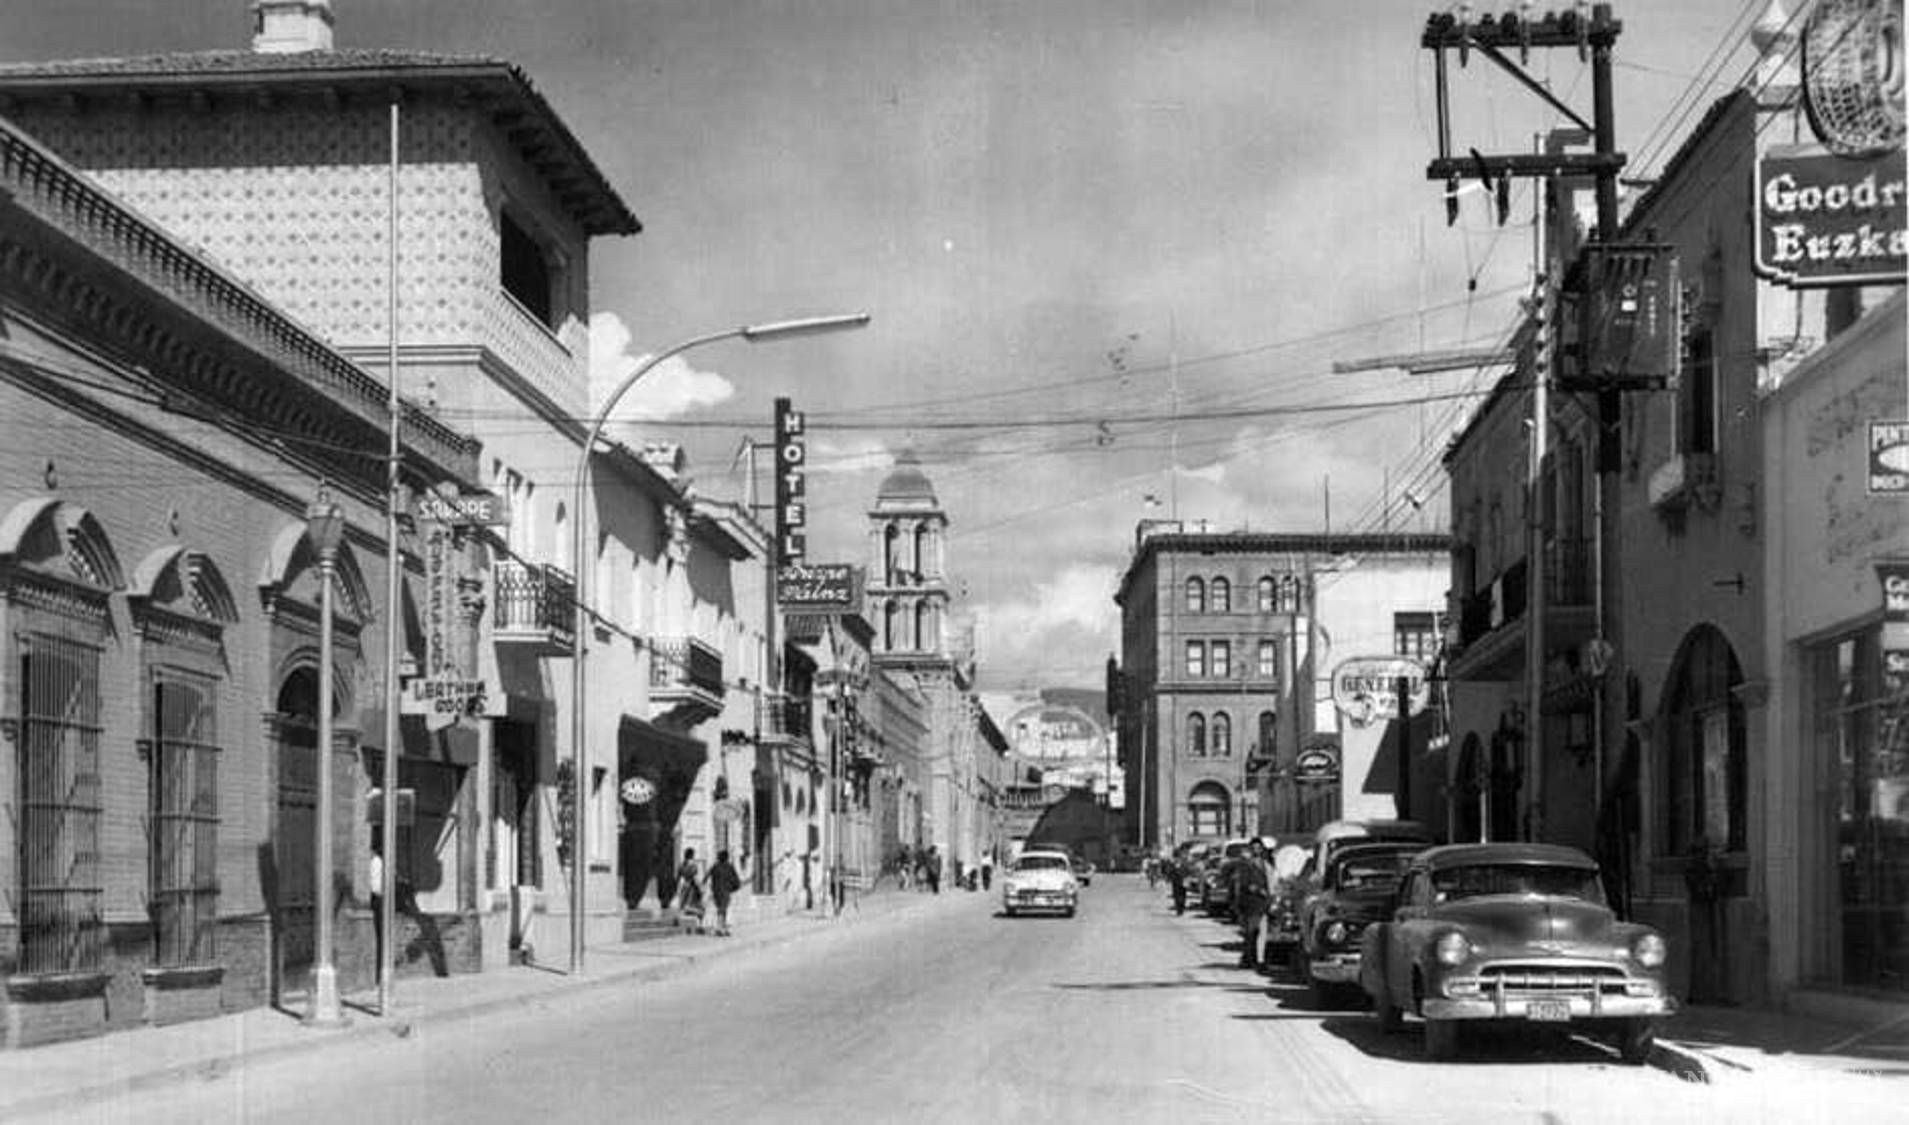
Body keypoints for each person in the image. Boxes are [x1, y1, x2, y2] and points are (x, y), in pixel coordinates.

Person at [1235, 839, 1275, 970]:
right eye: (1254, 848)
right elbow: (1245, 884)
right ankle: (1249, 959)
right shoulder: (1246, 865)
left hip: (1264, 903)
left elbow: (1271, 882)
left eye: (1259, 848)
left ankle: (1259, 959)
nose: (1256, 850)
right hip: (1251, 903)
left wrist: (1270, 897)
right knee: (1251, 933)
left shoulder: (1266, 864)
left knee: (1262, 933)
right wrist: (1258, 890)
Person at [708, 849, 742, 936]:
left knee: (721, 908)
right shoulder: (729, 867)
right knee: (723, 909)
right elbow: (736, 880)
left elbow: (709, 876)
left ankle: (722, 927)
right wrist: (733, 888)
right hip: (725, 891)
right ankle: (720, 928)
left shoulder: (715, 866)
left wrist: (711, 888)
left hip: (716, 891)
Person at [676, 847, 706, 933]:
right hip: (693, 888)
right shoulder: (693, 865)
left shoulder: (681, 865)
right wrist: (700, 888)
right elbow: (695, 877)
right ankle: (699, 925)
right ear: (692, 855)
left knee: (683, 906)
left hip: (684, 887)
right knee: (700, 908)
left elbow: (678, 878)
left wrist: (678, 888)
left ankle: (686, 926)